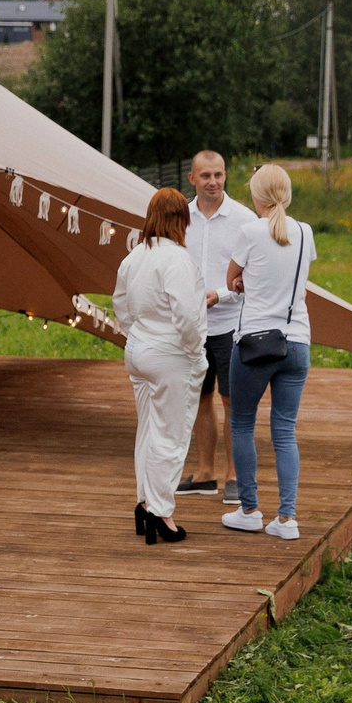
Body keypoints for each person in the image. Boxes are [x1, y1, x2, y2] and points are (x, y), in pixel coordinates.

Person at [220, 164, 315, 541]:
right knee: (285, 430)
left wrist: (243, 281)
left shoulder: (249, 232)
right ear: (287, 194)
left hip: (256, 344)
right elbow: (290, 274)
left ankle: (249, 510)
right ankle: (287, 519)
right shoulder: (306, 233)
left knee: (242, 423)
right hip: (298, 343)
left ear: (256, 196)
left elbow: (232, 279)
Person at [115, 187, 207, 544]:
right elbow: (186, 315)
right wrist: (194, 350)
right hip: (170, 353)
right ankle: (161, 511)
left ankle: (145, 502)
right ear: (181, 220)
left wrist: (134, 333)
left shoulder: (134, 256)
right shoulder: (177, 260)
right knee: (171, 434)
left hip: (138, 350)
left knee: (148, 430)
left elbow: (120, 304)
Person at [176, 150, 252, 502]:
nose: (213, 182)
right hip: (191, 327)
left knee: (231, 400)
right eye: (205, 176)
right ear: (192, 179)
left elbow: (253, 276)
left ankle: (234, 476)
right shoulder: (180, 218)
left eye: (219, 175)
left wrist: (219, 295)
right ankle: (205, 474)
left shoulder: (244, 219)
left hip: (229, 324)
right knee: (200, 398)